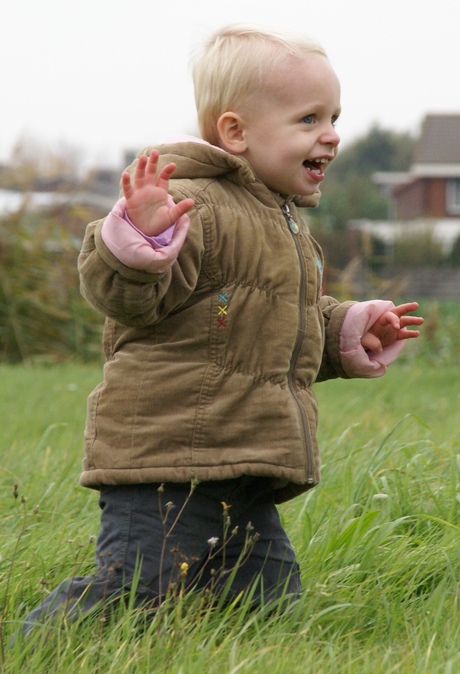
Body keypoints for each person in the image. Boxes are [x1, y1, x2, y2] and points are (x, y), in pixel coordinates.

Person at [21, 24, 423, 634]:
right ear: (236, 131)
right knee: (136, 589)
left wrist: (346, 328)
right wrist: (139, 243)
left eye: (335, 116)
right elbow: (127, 299)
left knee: (264, 603)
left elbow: (274, 328)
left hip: (243, 461)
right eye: (309, 118)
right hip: (166, 457)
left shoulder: (282, 225)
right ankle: (38, 641)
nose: (332, 135)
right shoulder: (192, 206)